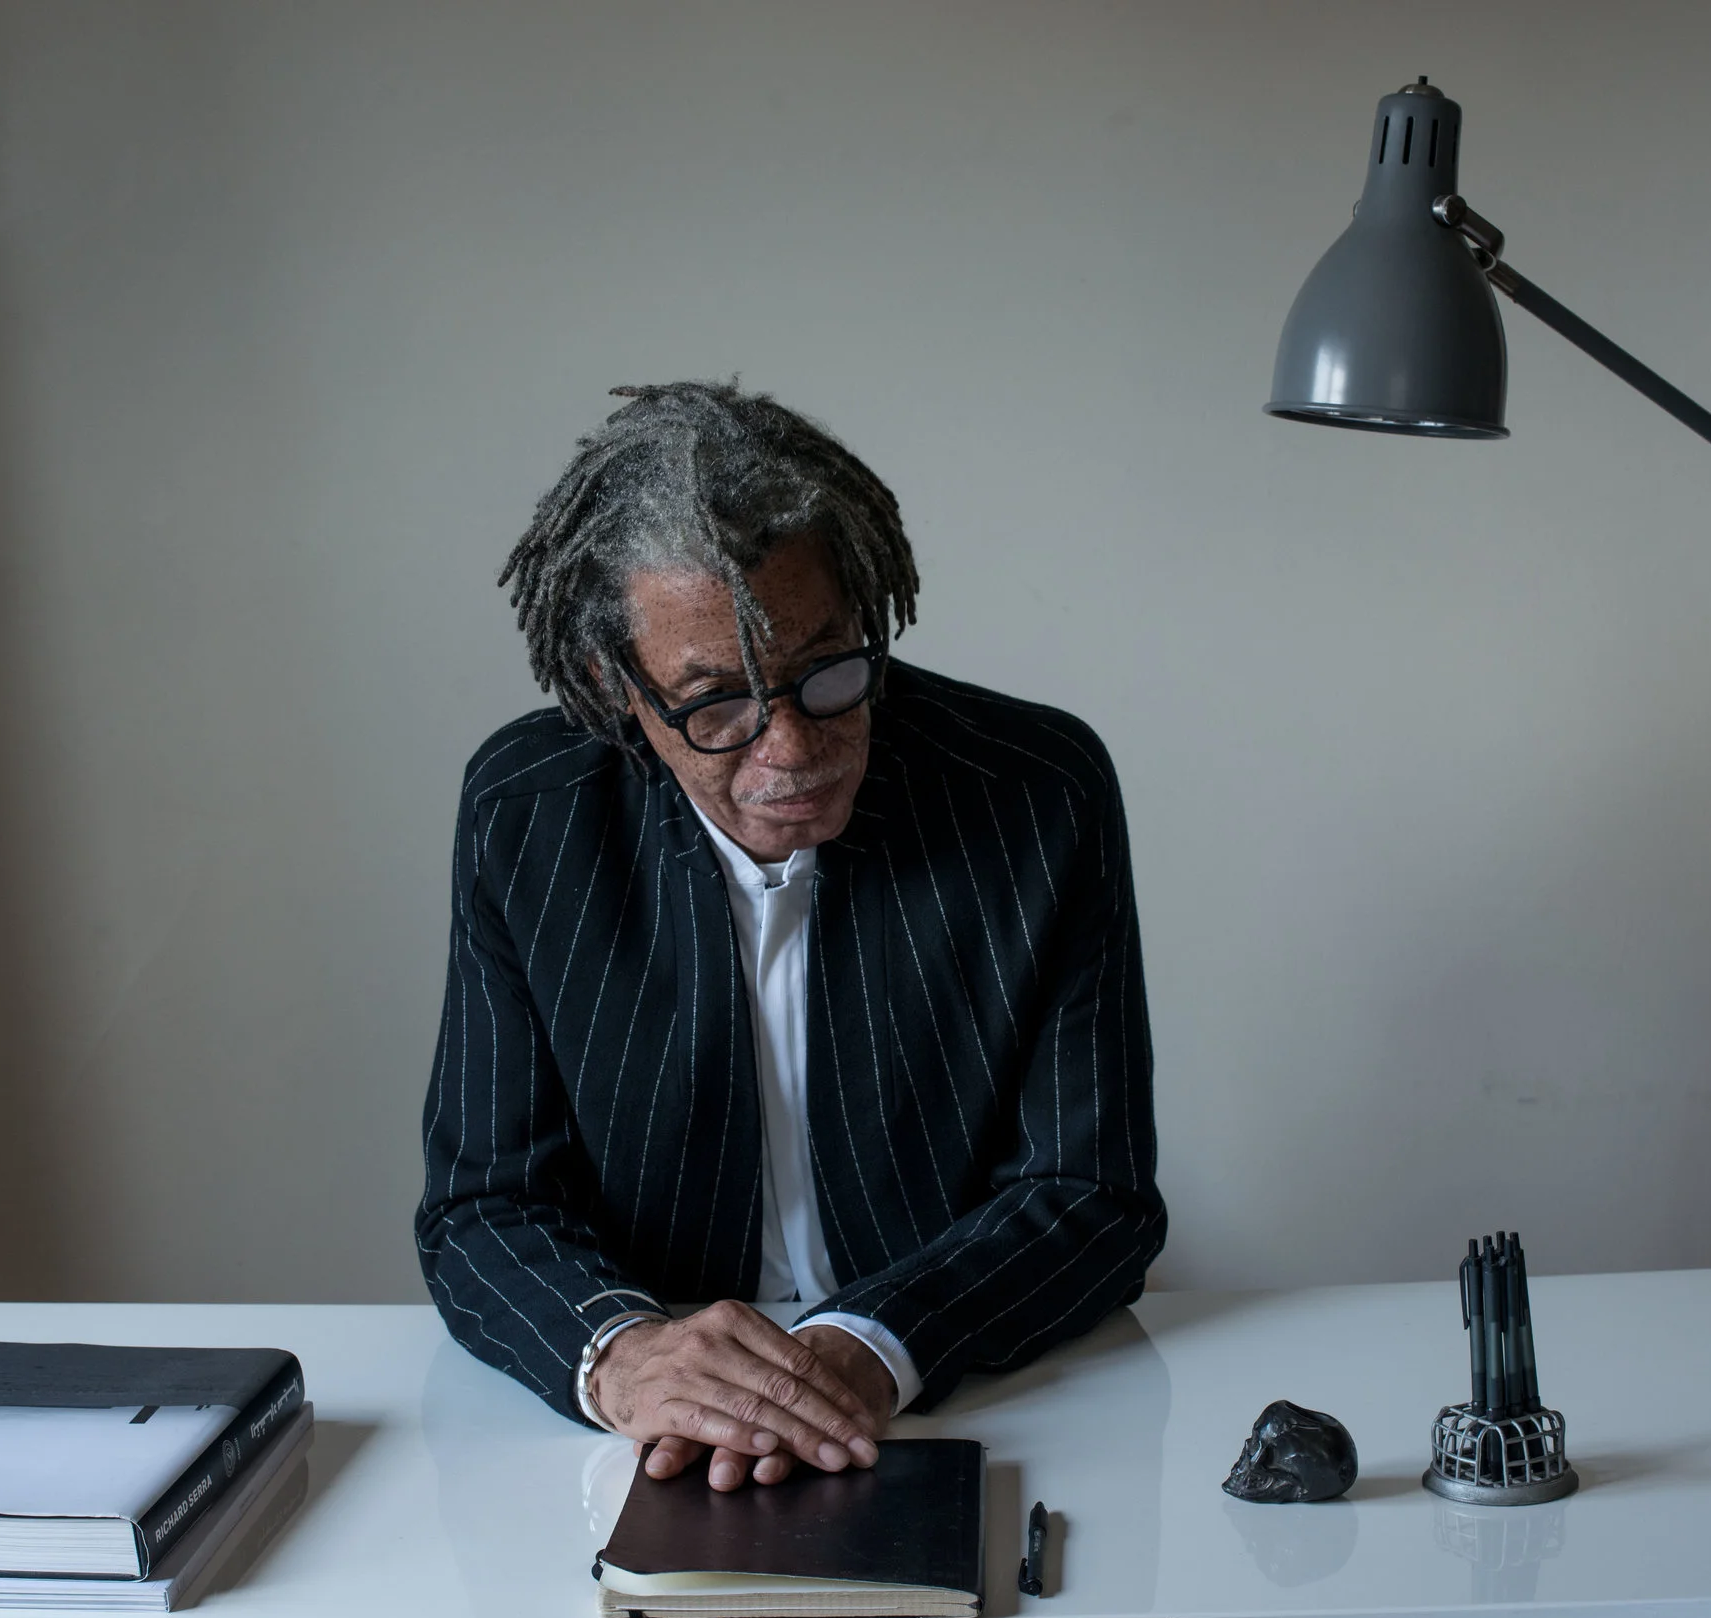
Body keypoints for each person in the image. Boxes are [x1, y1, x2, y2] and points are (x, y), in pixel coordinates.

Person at [417, 381, 1164, 1491]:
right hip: (645, 1439)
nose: (792, 750)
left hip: (962, 1390)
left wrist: (867, 1346)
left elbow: (1092, 1191)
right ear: (614, 685)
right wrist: (627, 1357)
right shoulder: (529, 814)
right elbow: (483, 1202)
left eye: (828, 673)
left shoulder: (1035, 792)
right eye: (716, 703)